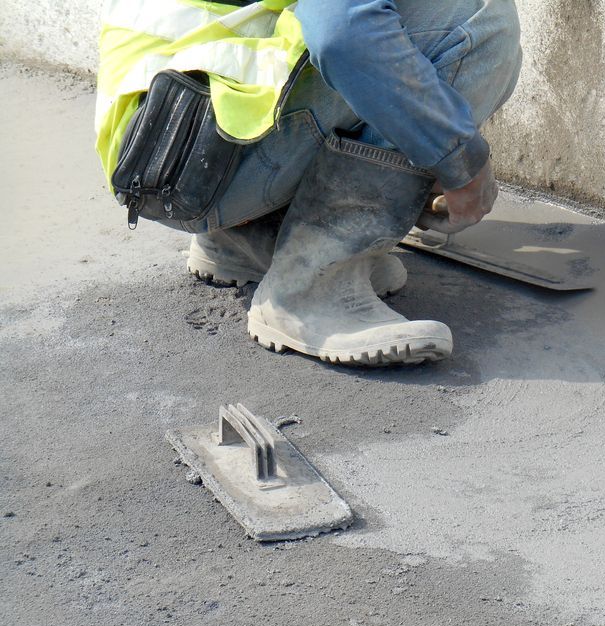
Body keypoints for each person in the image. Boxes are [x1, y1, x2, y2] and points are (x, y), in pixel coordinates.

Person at [97, 0, 522, 367]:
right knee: (481, 20)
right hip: (192, 151)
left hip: (163, 151)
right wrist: (459, 158)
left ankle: (250, 234)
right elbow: (342, 34)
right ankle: (312, 284)